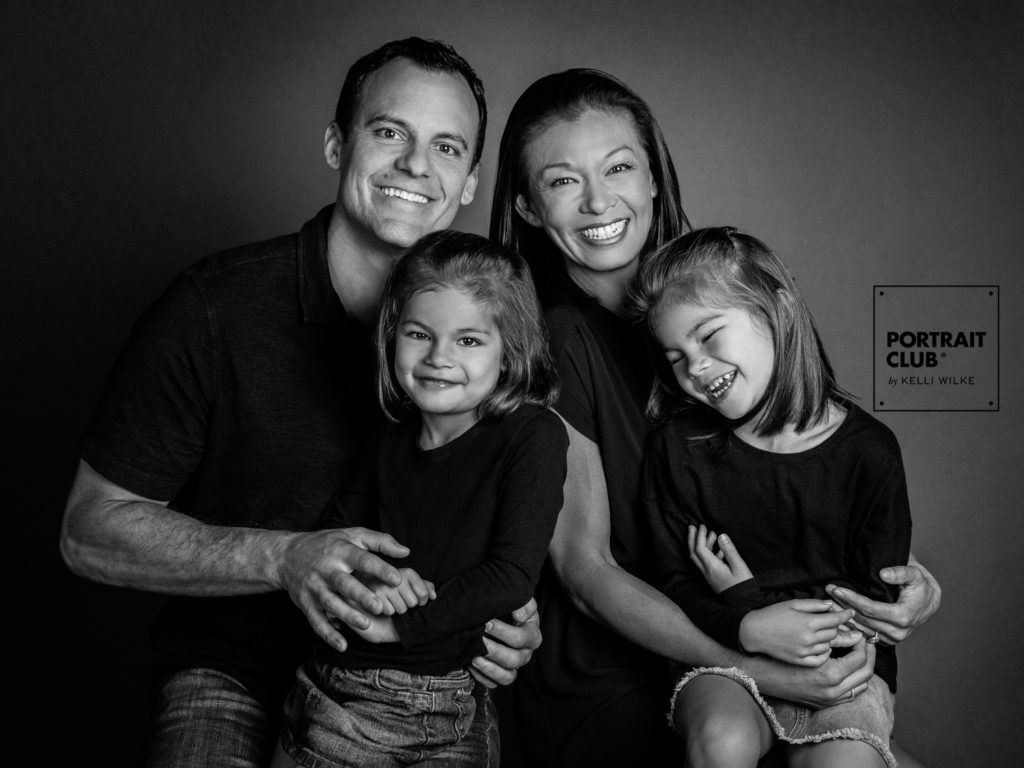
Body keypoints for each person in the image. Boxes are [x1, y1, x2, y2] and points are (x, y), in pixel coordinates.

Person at [59, 38, 539, 768]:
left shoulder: (496, 338)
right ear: (335, 143)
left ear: (470, 181)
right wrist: (281, 557)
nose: (417, 164)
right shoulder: (213, 308)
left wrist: (508, 618)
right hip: (232, 672)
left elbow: (512, 533)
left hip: (414, 686)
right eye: (389, 133)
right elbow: (88, 532)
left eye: (446, 147)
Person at [489, 68, 940, 767]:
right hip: (624, 666)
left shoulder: (718, 295)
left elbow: (810, 469)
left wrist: (908, 587)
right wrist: (755, 665)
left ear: (654, 182)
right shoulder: (551, 339)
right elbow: (586, 572)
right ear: (526, 207)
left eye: (619, 168)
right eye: (561, 181)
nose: (599, 200)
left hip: (761, 628)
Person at [272, 230, 569, 767]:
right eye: (418, 333)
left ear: (510, 351)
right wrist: (372, 577)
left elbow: (511, 575)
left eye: (469, 340)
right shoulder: (391, 440)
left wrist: (399, 624)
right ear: (392, 335)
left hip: (460, 700)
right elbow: (334, 540)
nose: (438, 357)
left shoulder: (532, 434)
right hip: (352, 693)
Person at [636, 227, 911, 768]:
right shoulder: (679, 448)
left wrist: (746, 597)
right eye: (675, 356)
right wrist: (744, 624)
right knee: (722, 741)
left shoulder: (870, 452)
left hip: (842, 670)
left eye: (709, 335)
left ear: (777, 310)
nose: (694, 367)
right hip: (725, 663)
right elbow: (671, 581)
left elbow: (869, 601)